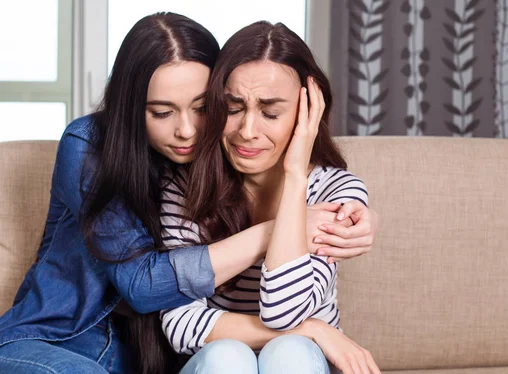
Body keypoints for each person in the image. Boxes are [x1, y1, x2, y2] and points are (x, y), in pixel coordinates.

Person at [0, 13, 377, 374]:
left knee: (270, 355)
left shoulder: (223, 170)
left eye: (202, 108)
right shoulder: (92, 149)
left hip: (144, 360)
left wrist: (340, 200)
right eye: (162, 113)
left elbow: (278, 311)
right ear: (133, 109)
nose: (187, 131)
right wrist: (278, 231)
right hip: (57, 338)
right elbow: (146, 288)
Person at [159, 21, 380, 374]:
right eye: (233, 109)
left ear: (309, 112)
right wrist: (315, 328)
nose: (247, 132)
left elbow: (283, 312)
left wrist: (295, 177)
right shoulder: (185, 189)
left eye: (271, 113)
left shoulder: (337, 192)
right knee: (228, 357)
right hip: (217, 364)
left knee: (290, 350)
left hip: (299, 361)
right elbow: (181, 325)